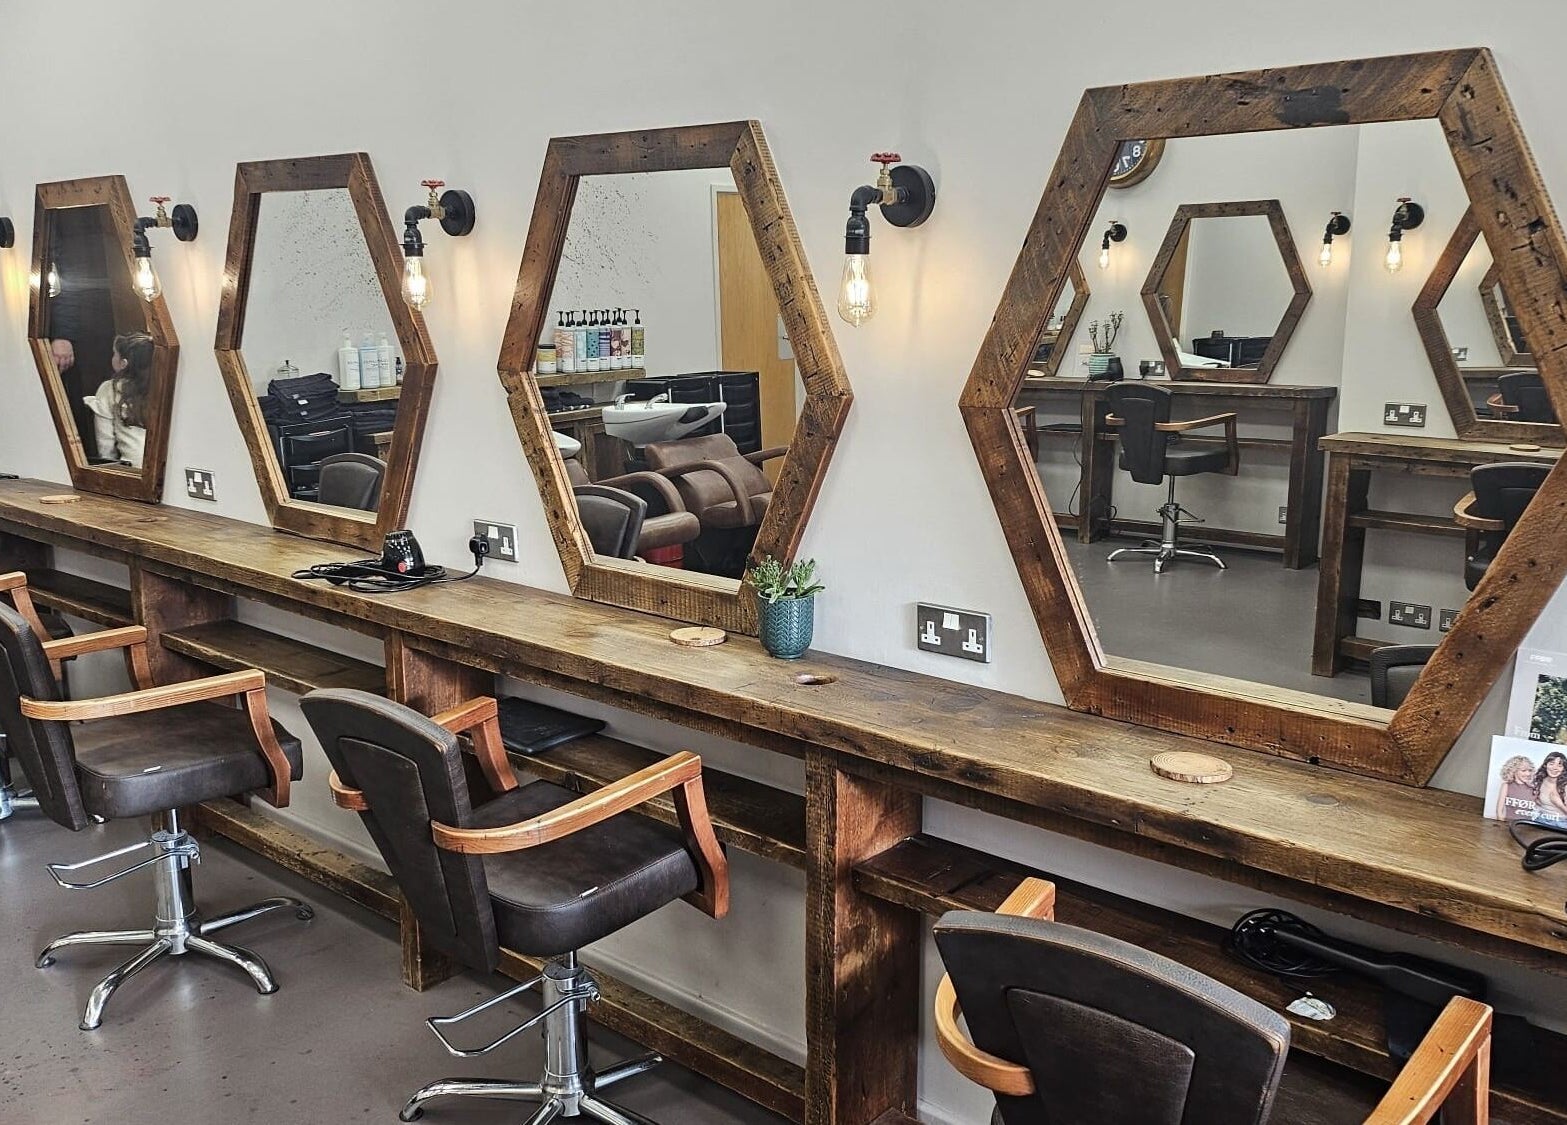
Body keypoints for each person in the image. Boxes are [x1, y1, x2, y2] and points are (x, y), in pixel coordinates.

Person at [82, 333, 154, 469]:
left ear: (123, 364)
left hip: (132, 468)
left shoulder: (109, 389)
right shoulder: (161, 387)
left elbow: (105, 442)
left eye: (114, 354)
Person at [1495, 754, 1540, 821]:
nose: (1528, 774)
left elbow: (1543, 809)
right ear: (1513, 771)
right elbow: (1499, 811)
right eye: (1523, 770)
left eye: (1530, 770)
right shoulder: (1506, 786)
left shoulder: (1534, 788)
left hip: (1528, 826)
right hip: (1509, 825)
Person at [1531, 751, 1567, 823]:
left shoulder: (1565, 786)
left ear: (1563, 769)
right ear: (1545, 765)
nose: (1555, 768)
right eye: (1551, 764)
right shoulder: (1540, 780)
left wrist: (1559, 804)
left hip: (1561, 822)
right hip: (1541, 819)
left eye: (1559, 766)